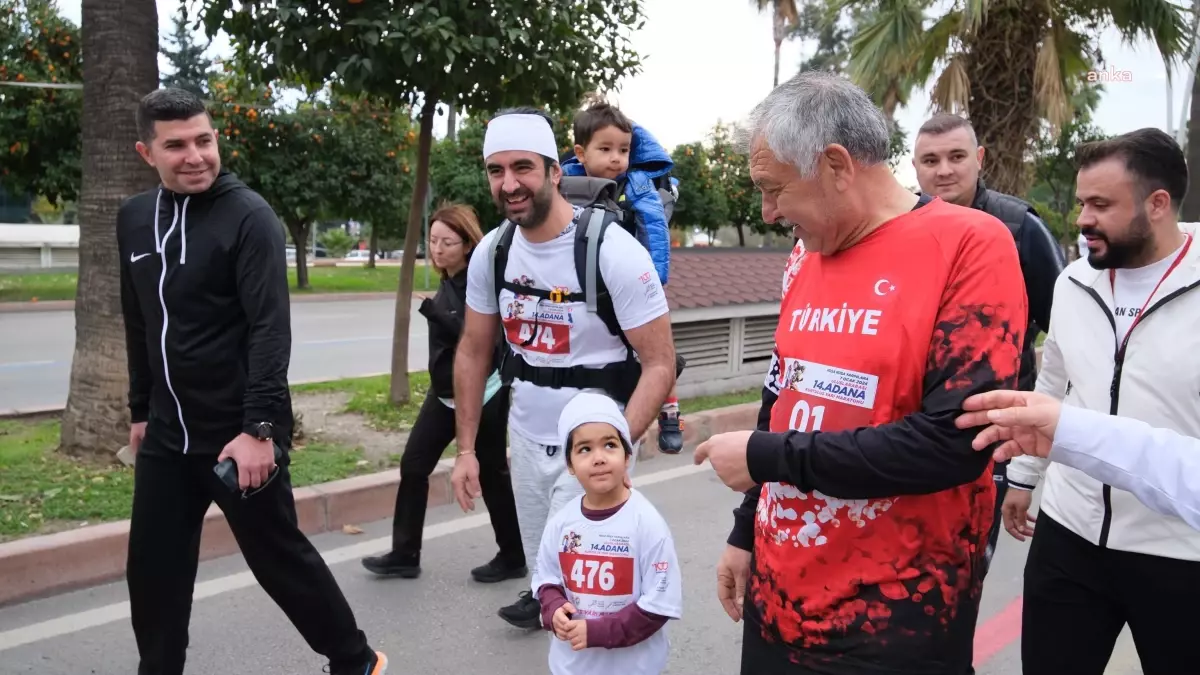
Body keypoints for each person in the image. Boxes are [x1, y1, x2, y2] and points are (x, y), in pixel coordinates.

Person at [693, 71, 1027, 675]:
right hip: (778, 601)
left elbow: (953, 444)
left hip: (896, 616)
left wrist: (767, 457)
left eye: (774, 190)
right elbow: (783, 395)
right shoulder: (805, 255)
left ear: (837, 166)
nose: (768, 213)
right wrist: (745, 531)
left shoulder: (972, 245)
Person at [117, 88, 386, 675]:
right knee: (153, 571)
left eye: (204, 140)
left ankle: (356, 660)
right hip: (168, 435)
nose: (195, 156)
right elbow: (139, 322)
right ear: (147, 152)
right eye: (177, 145)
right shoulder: (134, 219)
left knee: (277, 558)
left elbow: (270, 330)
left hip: (235, 432)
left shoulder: (249, 217)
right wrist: (140, 412)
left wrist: (260, 429)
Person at [451, 107, 677, 630]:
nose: (509, 184)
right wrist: (465, 450)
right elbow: (472, 349)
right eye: (496, 170)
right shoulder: (492, 251)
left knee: (593, 589)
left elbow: (660, 361)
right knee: (548, 570)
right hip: (528, 436)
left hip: (597, 442)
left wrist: (618, 444)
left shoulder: (612, 250)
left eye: (523, 167)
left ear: (556, 171)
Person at [1001, 129, 1200, 675]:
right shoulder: (1072, 282)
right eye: (1083, 201)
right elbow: (1053, 384)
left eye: (1101, 205)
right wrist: (1023, 477)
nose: (1082, 219)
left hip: (1180, 551)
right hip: (1070, 535)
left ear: (1157, 204)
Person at [913, 112, 1066, 568]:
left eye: (957, 157)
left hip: (991, 427)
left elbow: (1065, 327)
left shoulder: (1019, 226)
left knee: (964, 562)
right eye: (931, 160)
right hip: (911, 424)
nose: (944, 170)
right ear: (915, 168)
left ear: (979, 159)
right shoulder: (899, 228)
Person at [361, 202, 524, 581]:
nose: (437, 249)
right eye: (433, 240)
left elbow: (478, 337)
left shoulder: (477, 281)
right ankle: (404, 553)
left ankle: (513, 556)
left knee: (493, 474)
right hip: (444, 392)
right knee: (414, 465)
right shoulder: (449, 279)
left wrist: (436, 311)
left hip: (483, 392)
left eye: (447, 242)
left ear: (468, 244)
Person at [561, 100, 685, 454]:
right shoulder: (564, 184)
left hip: (633, 282)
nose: (617, 158)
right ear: (581, 153)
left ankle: (669, 409)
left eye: (624, 150)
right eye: (606, 149)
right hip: (584, 283)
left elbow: (655, 230)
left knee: (657, 351)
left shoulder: (637, 185)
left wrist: (654, 278)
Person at [532, 392, 683, 675]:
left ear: (627, 456)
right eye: (584, 449)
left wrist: (599, 631)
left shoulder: (646, 523)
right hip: (571, 667)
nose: (598, 458)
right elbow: (546, 580)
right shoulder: (561, 523)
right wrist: (554, 609)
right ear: (570, 465)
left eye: (610, 445)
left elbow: (658, 606)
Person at [954, 389, 1200, 531]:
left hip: (1172, 541)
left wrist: (1068, 432)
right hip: (1067, 519)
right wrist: (1023, 476)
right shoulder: (1069, 296)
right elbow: (1053, 378)